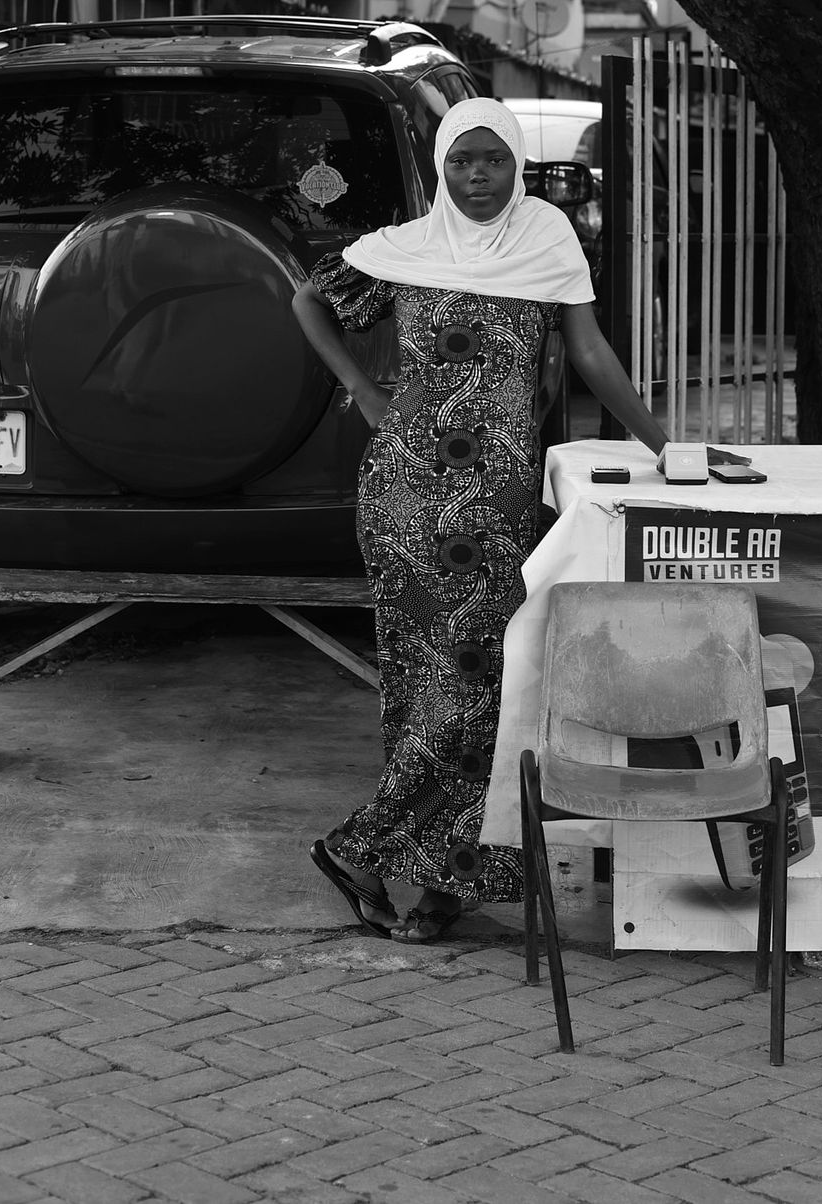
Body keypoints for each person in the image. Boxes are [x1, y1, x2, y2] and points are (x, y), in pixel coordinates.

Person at [292, 98, 704, 943]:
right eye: (459, 162)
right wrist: (364, 393)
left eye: (491, 161)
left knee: (487, 680)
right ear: (441, 167)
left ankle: (414, 868)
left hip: (500, 496)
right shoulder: (406, 248)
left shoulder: (548, 237)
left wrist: (663, 444)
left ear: (516, 164)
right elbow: (308, 302)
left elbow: (588, 351)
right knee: (429, 685)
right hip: (407, 492)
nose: (475, 177)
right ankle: (413, 867)